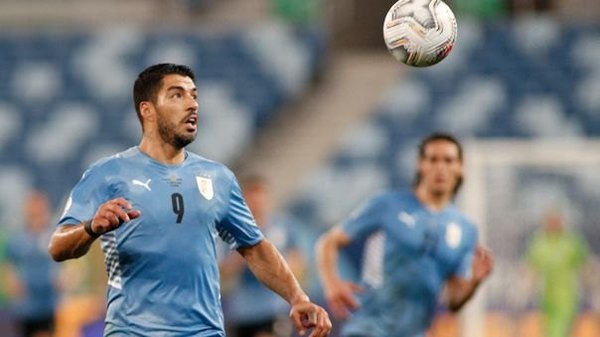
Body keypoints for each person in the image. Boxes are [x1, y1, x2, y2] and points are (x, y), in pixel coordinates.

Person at [47, 63, 331, 337]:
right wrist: (90, 228)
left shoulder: (218, 178)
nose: (192, 104)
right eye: (177, 95)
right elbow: (58, 245)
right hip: (133, 330)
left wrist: (297, 297)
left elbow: (254, 247)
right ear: (147, 110)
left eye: (194, 95)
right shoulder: (107, 174)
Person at [315, 132, 494, 337]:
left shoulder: (465, 229)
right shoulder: (387, 205)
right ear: (421, 165)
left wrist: (474, 282)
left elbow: (453, 301)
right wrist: (331, 283)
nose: (440, 167)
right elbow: (329, 242)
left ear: (460, 167)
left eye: (448, 160)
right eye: (433, 159)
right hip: (369, 328)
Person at [220, 174, 307, 337]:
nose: (257, 200)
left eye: (260, 194)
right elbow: (223, 271)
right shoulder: (233, 229)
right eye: (251, 195)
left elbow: (299, 263)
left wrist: (280, 272)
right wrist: (243, 257)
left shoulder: (283, 225)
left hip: (274, 306)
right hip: (243, 309)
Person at [526, 208, 589, 337]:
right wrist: (525, 291)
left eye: (556, 220)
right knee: (549, 331)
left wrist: (593, 289)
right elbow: (531, 270)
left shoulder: (572, 242)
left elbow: (585, 267)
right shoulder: (539, 243)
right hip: (546, 298)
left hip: (568, 298)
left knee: (561, 330)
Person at [5, 190, 59, 337]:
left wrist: (65, 278)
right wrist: (13, 281)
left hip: (49, 302)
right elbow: (10, 263)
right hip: (26, 303)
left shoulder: (54, 235)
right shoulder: (19, 238)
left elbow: (70, 263)